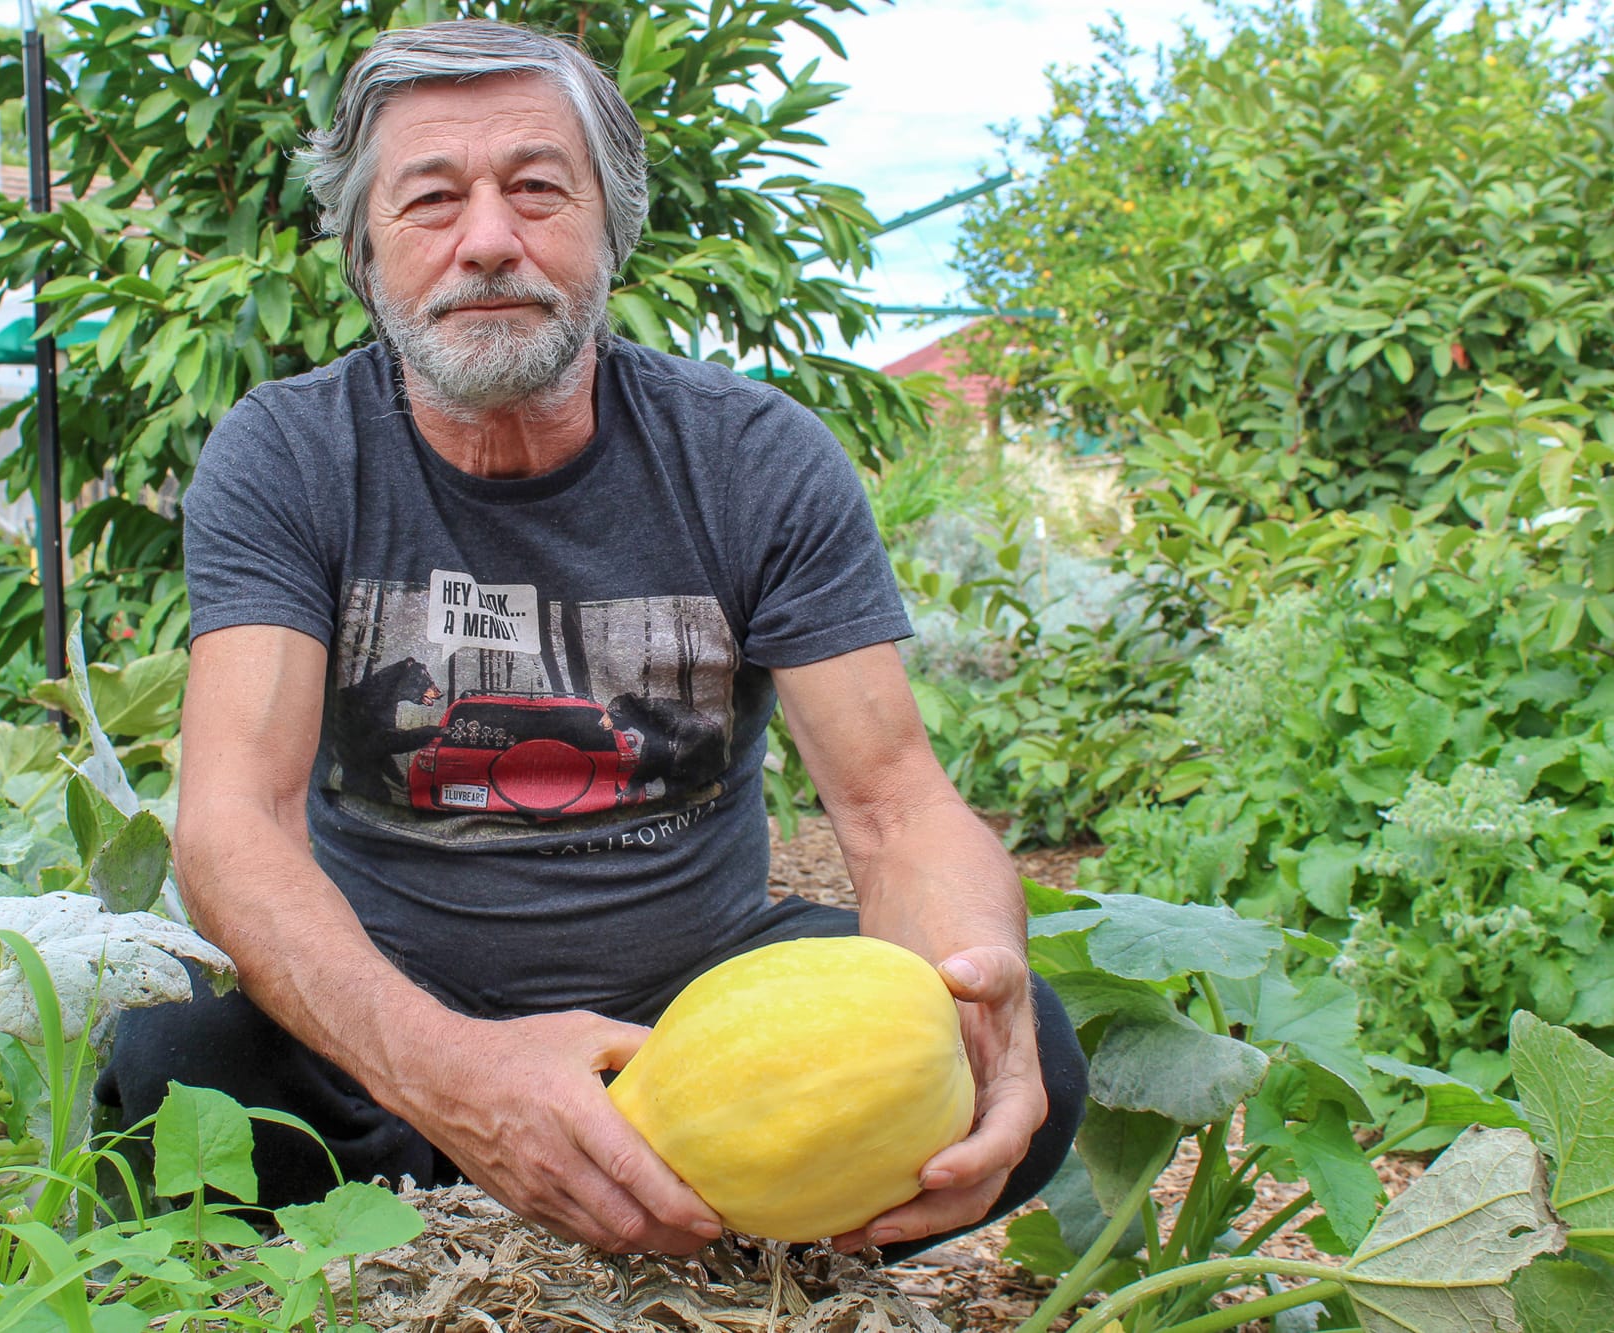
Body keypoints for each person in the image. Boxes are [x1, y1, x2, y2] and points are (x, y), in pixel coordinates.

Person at [98, 17, 1086, 1261]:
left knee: (1022, 1045)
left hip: (697, 1036)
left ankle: (697, 1197)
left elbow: (896, 805)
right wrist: (451, 1071)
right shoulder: (288, 456)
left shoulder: (750, 458)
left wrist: (961, 990)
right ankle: (513, 1184)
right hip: (391, 1036)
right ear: (363, 254)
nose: (490, 239)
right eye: (431, 200)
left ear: (610, 228)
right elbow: (234, 823)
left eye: (535, 189)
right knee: (176, 1062)